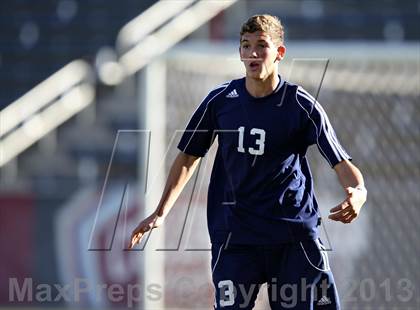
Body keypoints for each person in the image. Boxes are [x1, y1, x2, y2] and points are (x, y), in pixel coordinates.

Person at [129, 14, 367, 309]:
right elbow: (189, 155)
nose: (252, 53)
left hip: (291, 239)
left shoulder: (301, 104)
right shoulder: (220, 101)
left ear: (279, 53)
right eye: (245, 45)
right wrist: (161, 212)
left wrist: (358, 193)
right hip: (235, 239)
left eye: (261, 46)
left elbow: (341, 163)